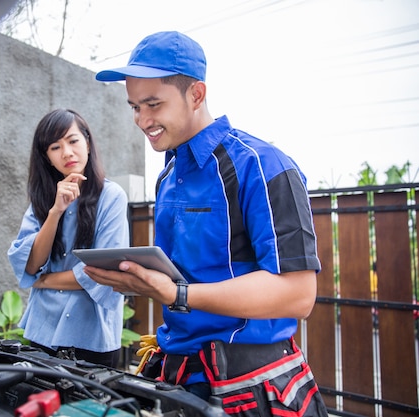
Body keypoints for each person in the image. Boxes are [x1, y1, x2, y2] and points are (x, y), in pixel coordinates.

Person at [88, 31, 329, 416]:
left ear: (196, 94)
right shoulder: (168, 176)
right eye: (134, 106)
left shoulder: (263, 166)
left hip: (254, 386)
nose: (142, 119)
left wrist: (177, 295)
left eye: (153, 104)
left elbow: (298, 294)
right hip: (180, 379)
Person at [7, 108, 129, 368]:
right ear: (47, 157)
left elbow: (103, 272)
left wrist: (44, 280)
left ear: (87, 141)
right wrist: (55, 212)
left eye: (73, 141)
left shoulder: (111, 196)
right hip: (43, 330)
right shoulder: (43, 199)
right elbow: (29, 266)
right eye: (55, 147)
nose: (67, 152)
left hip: (91, 335)